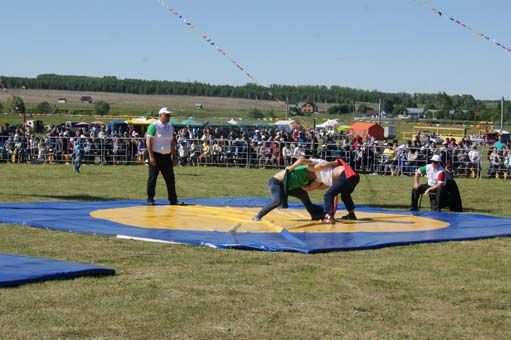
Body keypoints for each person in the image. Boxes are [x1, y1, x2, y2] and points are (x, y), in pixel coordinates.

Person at [253, 159, 324, 221]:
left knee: (303, 195)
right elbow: (301, 160)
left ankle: (315, 215)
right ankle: (258, 215)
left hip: (288, 186)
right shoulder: (308, 168)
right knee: (277, 201)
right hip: (276, 183)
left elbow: (312, 187)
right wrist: (291, 168)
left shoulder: (316, 177)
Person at [146, 107, 180, 205]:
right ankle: (150, 199)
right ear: (160, 115)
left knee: (170, 179)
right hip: (156, 155)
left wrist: (174, 157)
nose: (168, 117)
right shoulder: (154, 126)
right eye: (166, 115)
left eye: (169, 115)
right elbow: (148, 142)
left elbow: (172, 142)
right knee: (152, 178)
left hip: (166, 156)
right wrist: (151, 156)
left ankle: (173, 199)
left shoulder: (170, 126)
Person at [312, 157, 360, 223]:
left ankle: (330, 218)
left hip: (346, 175)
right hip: (355, 177)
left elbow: (321, 165)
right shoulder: (333, 168)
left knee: (328, 195)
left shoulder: (335, 163)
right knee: (345, 196)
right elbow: (324, 186)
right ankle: (351, 214)